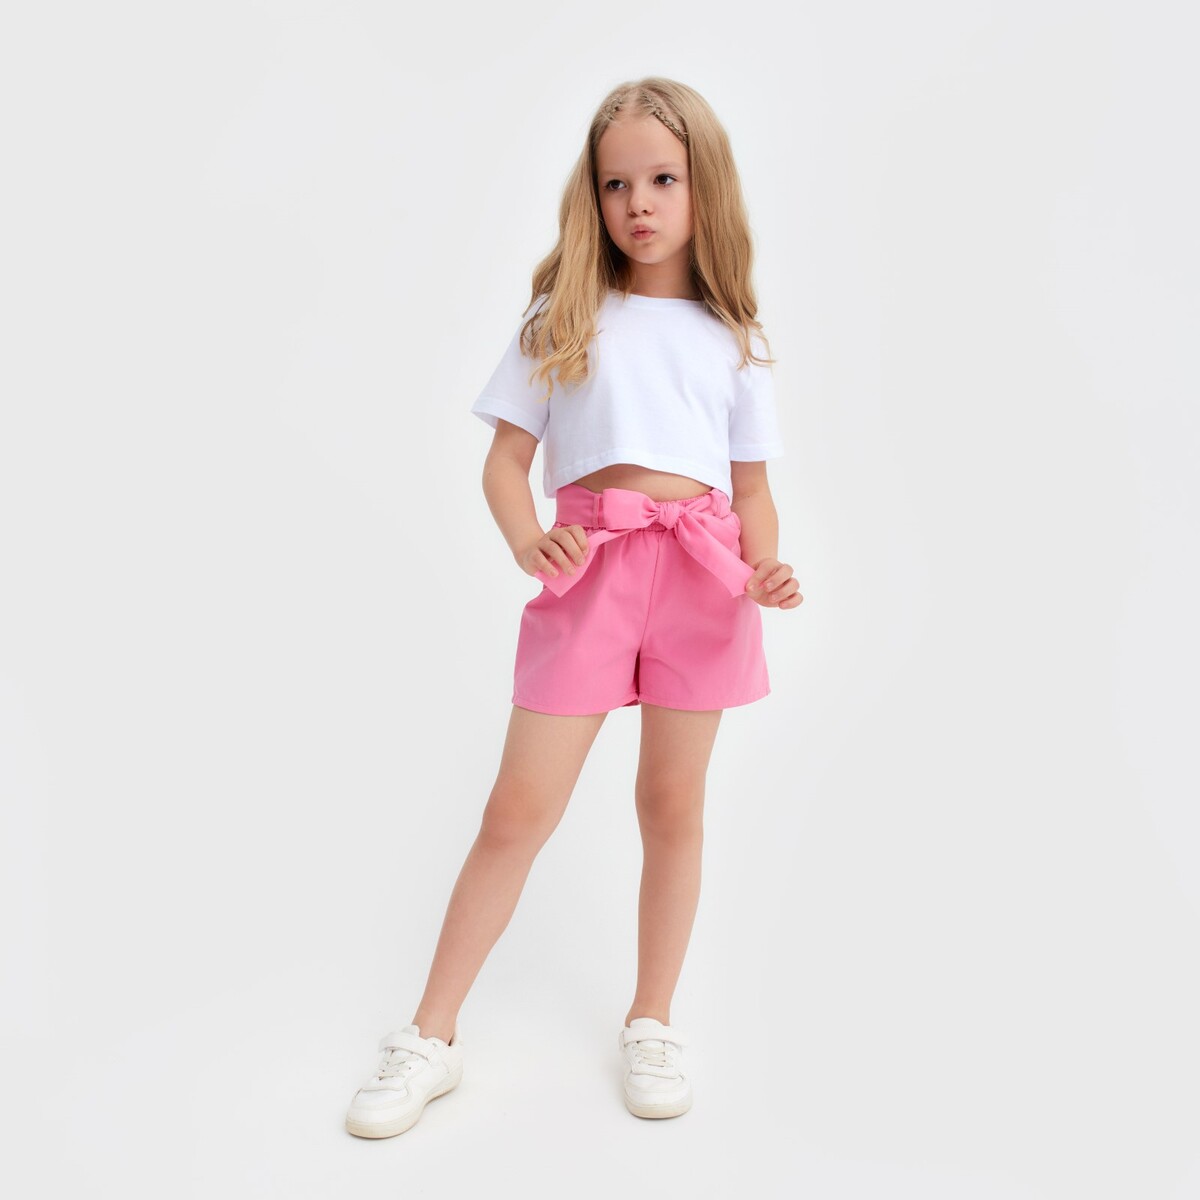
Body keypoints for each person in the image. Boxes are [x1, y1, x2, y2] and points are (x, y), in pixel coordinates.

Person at [344, 75, 803, 1139]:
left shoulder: (734, 336)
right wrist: (527, 540)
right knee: (518, 810)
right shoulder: (564, 318)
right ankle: (430, 1035)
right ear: (591, 197)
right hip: (589, 572)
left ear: (704, 186)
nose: (638, 203)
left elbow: (752, 492)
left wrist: (766, 568)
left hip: (704, 582)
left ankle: (653, 1020)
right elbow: (506, 465)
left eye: (663, 179)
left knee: (672, 806)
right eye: (616, 183)